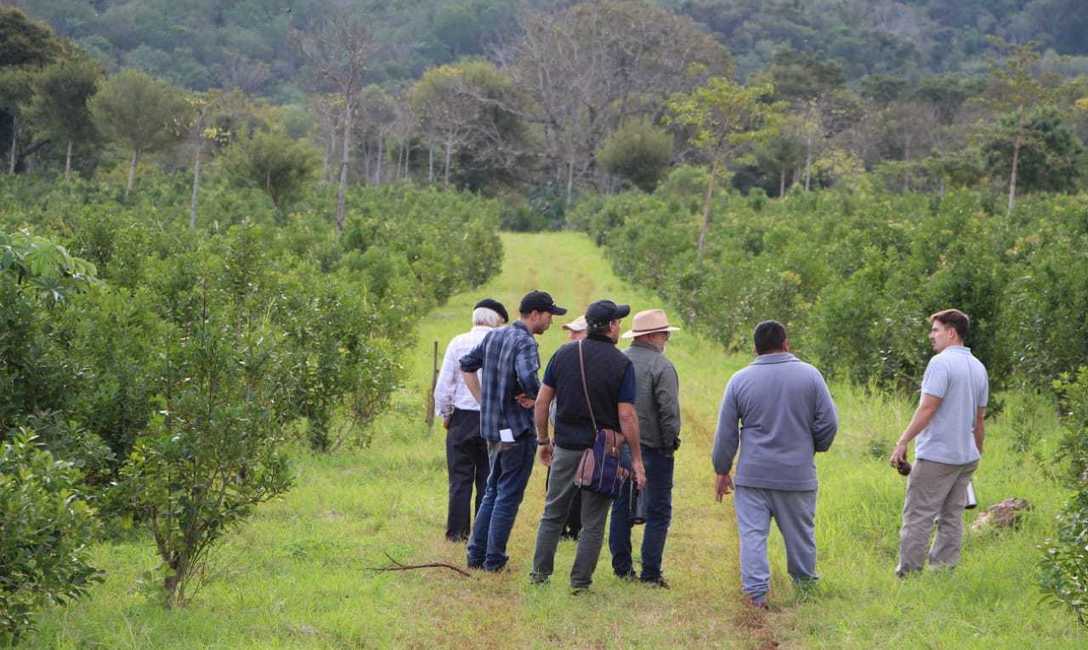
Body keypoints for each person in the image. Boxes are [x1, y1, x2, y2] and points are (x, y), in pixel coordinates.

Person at [712, 320, 838, 608]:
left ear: (755, 348)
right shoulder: (811, 376)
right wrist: (813, 446)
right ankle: (805, 588)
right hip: (797, 474)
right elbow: (829, 422)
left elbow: (726, 432)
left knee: (753, 535)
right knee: (800, 535)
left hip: (753, 475)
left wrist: (722, 469)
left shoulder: (739, 380)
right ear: (786, 343)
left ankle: (756, 595)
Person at [530, 300, 647, 592]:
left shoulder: (564, 354)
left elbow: (543, 402)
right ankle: (580, 583)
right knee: (593, 521)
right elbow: (626, 414)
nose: (620, 326)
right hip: (603, 451)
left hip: (566, 447)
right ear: (610, 327)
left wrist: (543, 440)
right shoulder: (622, 364)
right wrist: (636, 458)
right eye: (618, 322)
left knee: (553, 513)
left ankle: (539, 575)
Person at [460, 290, 566, 571]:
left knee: (492, 490)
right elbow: (528, 377)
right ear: (534, 314)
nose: (550, 322)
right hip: (517, 430)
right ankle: (494, 559)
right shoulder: (526, 343)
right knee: (507, 494)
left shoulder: (494, 335)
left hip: (492, 429)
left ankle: (476, 554)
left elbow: (466, 365)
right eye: (549, 316)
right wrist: (537, 397)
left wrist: (483, 401)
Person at [889, 308, 988, 577]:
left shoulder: (941, 363)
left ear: (951, 332)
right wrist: (975, 453)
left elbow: (928, 408)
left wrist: (902, 441)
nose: (931, 335)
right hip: (965, 457)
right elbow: (980, 420)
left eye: (936, 330)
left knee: (918, 516)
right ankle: (943, 572)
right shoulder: (978, 367)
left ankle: (908, 575)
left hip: (937, 456)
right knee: (951, 517)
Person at [609, 309, 682, 587]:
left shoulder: (618, 360)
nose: (666, 339)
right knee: (659, 511)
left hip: (619, 445)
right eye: (664, 334)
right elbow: (668, 412)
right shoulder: (662, 366)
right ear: (652, 336)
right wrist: (669, 444)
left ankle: (622, 568)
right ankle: (651, 572)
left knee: (620, 506)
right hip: (653, 447)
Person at [433, 298, 508, 542]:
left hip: (461, 418)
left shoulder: (458, 342)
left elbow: (444, 386)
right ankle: (482, 532)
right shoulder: (502, 342)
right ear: (497, 320)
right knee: (488, 478)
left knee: (459, 478)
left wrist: (446, 415)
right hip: (493, 417)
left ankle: (457, 532)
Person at [556, 314, 587, 540]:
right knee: (558, 485)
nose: (570, 336)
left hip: (580, 435)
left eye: (576, 332)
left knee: (581, 482)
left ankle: (575, 527)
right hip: (563, 433)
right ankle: (561, 526)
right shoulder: (564, 357)